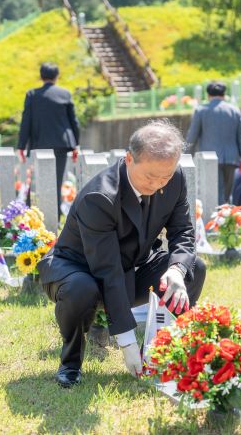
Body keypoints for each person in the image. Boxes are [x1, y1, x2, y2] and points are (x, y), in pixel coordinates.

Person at [38, 120, 207, 388]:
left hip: (133, 266)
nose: (159, 184)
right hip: (78, 269)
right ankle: (70, 363)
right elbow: (107, 269)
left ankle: (171, 351)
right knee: (82, 289)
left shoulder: (173, 180)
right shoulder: (100, 196)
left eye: (166, 176)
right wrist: (127, 340)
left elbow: (183, 232)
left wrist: (176, 271)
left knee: (193, 267)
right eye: (151, 177)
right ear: (129, 159)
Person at [18, 63, 80, 218]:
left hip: (39, 144)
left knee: (38, 180)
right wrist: (76, 145)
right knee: (57, 180)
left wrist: (21, 146)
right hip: (62, 144)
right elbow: (73, 122)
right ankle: (56, 215)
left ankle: (35, 214)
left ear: (41, 76)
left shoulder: (32, 94)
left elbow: (26, 121)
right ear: (57, 76)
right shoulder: (65, 94)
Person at [186, 82, 241, 204]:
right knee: (227, 194)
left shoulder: (201, 110)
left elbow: (192, 136)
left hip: (208, 158)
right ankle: (227, 219)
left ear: (208, 95)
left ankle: (214, 220)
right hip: (231, 158)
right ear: (224, 95)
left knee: (211, 194)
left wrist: (186, 155)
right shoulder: (234, 110)